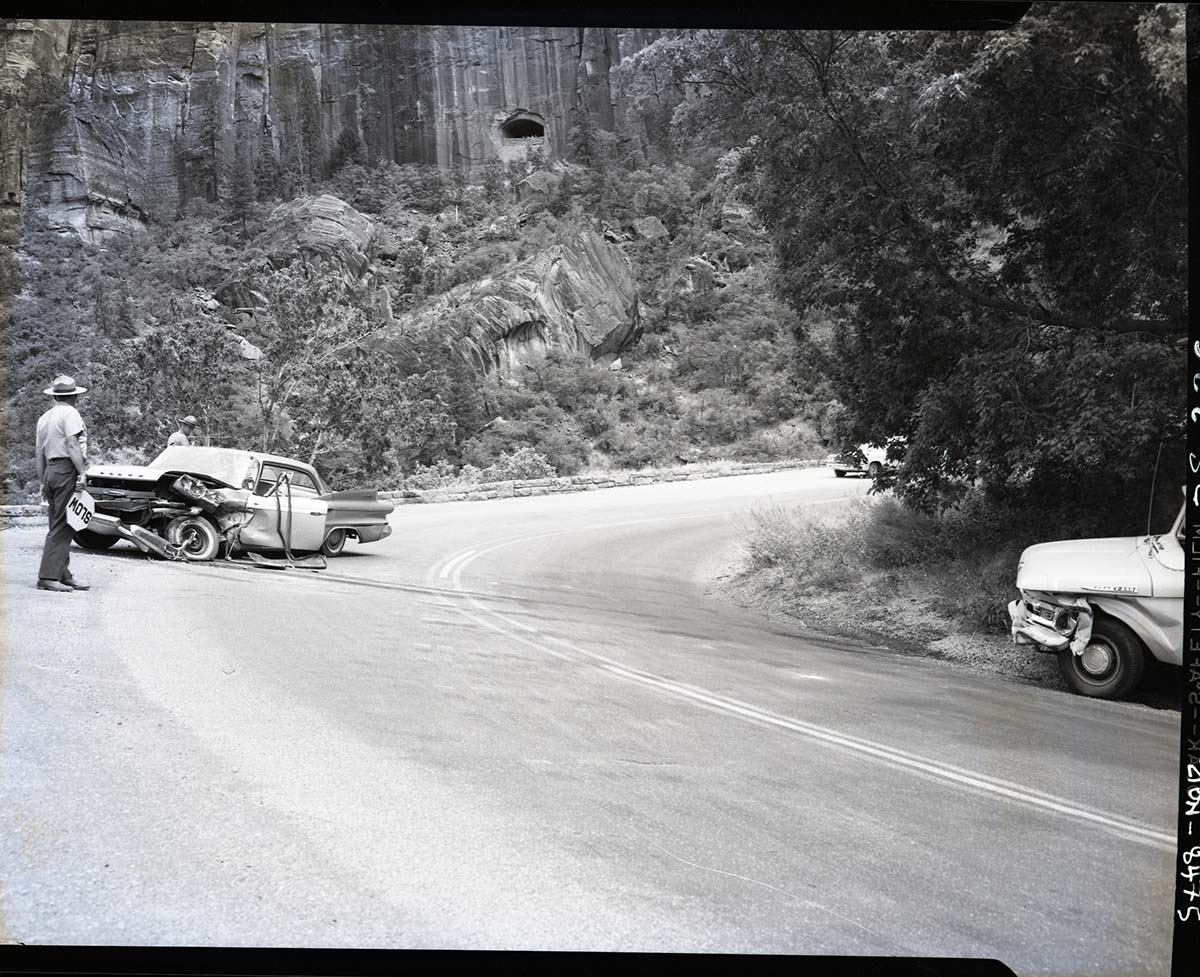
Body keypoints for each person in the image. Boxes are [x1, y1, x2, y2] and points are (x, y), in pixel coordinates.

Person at [35, 375, 90, 592]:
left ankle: (62, 573)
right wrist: (82, 472)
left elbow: (38, 453)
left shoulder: (44, 417)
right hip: (66, 469)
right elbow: (72, 443)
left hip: (50, 470)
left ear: (55, 395)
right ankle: (48, 577)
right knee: (64, 524)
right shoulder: (70, 413)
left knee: (57, 523)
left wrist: (42, 480)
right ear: (74, 396)